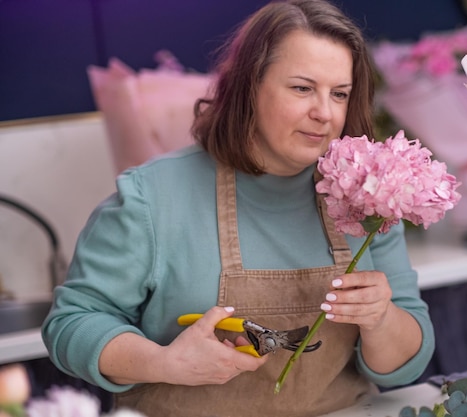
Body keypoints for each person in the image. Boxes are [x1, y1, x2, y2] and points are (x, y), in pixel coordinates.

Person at [42, 1, 435, 416]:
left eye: (339, 94)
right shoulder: (151, 197)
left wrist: (381, 319)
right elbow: (71, 325)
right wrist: (163, 363)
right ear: (249, 86)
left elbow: (405, 365)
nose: (325, 113)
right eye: (302, 88)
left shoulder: (366, 198)